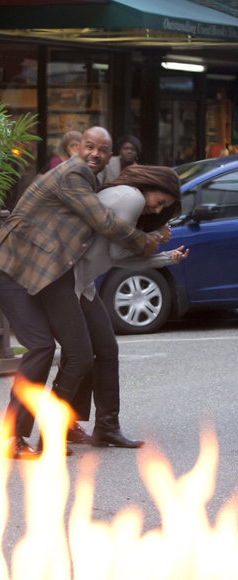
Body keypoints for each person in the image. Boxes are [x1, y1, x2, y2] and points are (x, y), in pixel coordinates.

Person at [0, 126, 161, 459]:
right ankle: (14, 437)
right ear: (77, 148)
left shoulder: (90, 180)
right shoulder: (74, 174)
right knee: (42, 346)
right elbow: (103, 222)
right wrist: (144, 241)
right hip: (12, 269)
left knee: (87, 350)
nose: (95, 154)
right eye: (90, 147)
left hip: (48, 271)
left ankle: (72, 429)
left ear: (111, 155)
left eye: (102, 150)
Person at [68, 165, 188, 445]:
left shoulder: (129, 197)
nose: (158, 211)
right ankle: (61, 426)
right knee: (79, 356)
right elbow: (118, 250)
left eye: (164, 209)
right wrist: (156, 236)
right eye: (160, 203)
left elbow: (115, 259)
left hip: (81, 286)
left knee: (106, 350)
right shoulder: (130, 197)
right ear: (152, 185)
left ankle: (106, 428)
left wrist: (165, 257)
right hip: (67, 284)